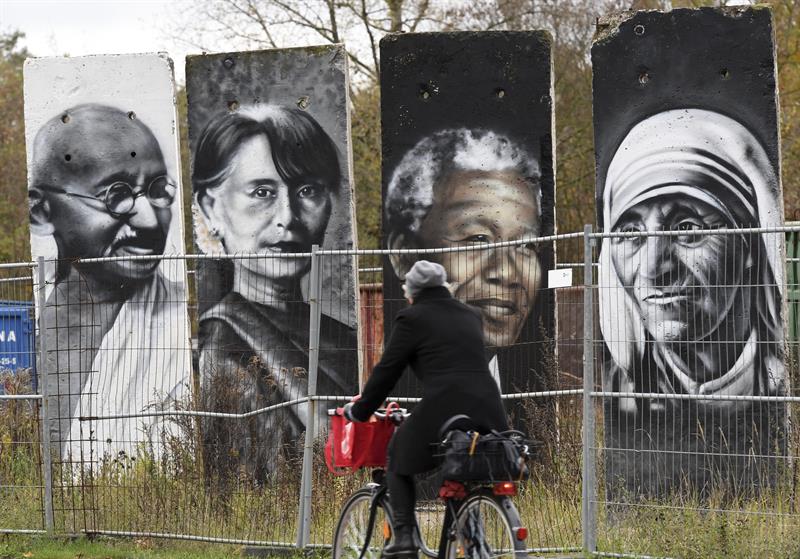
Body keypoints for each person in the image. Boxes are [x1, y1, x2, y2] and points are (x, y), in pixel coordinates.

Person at [599, 108, 785, 495]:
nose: (654, 268)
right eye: (630, 233)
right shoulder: (617, 393)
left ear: (749, 241)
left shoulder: (785, 387)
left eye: (687, 229)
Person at [192, 104, 357, 481]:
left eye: (307, 190)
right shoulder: (224, 350)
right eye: (262, 191)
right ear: (211, 208)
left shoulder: (344, 339)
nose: (288, 216)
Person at [28, 103, 189, 462]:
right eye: (115, 195)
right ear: (41, 212)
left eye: (158, 189)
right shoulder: (27, 331)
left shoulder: (185, 321)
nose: (149, 221)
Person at [344, 260, 509, 558]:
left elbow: (387, 372)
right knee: (461, 466)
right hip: (489, 406)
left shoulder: (412, 318)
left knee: (396, 455)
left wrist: (361, 410)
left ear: (412, 292)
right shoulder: (470, 315)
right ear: (445, 286)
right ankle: (468, 534)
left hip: (446, 406)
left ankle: (404, 538)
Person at [384, 128, 545, 389]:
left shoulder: (526, 396)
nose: (506, 272)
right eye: (478, 238)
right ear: (404, 254)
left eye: (526, 244)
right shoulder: (403, 379)